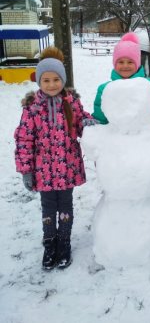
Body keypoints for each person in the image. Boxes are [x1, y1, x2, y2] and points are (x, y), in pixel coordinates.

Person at [14, 46, 93, 270]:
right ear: (39, 82)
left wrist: (87, 123)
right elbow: (24, 139)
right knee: (48, 207)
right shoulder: (32, 108)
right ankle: (50, 243)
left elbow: (79, 123)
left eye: (56, 79)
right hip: (43, 171)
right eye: (46, 80)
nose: (51, 85)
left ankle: (64, 242)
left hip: (67, 167)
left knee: (66, 205)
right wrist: (26, 170)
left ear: (63, 80)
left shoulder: (71, 103)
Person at [92, 32, 150, 124]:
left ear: (137, 64)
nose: (125, 66)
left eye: (130, 62)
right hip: (116, 136)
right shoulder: (105, 88)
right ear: (114, 64)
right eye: (121, 62)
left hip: (144, 134)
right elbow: (100, 118)